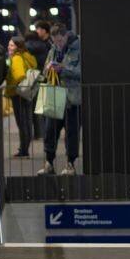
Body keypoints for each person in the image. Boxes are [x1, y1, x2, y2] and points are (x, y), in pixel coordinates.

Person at [39, 23, 81, 175]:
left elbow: (81, 72)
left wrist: (63, 69)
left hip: (71, 99)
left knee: (72, 133)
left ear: (66, 36)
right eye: (55, 42)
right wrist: (48, 68)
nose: (58, 44)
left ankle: (70, 164)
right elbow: (44, 71)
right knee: (50, 131)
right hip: (55, 96)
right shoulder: (53, 50)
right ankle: (49, 163)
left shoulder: (77, 48)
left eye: (60, 41)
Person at [5, 35, 37, 157]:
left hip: (18, 93)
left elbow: (19, 75)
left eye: (12, 45)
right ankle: (25, 148)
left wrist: (14, 81)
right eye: (9, 44)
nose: (9, 47)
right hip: (29, 91)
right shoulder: (27, 56)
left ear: (18, 47)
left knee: (22, 122)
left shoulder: (17, 58)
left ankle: (24, 150)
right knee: (27, 121)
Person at [26, 22, 51, 139]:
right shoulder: (44, 44)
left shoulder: (47, 44)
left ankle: (42, 132)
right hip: (43, 77)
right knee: (40, 106)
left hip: (39, 77)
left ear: (45, 31)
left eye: (39, 29)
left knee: (39, 106)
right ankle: (41, 132)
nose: (37, 31)